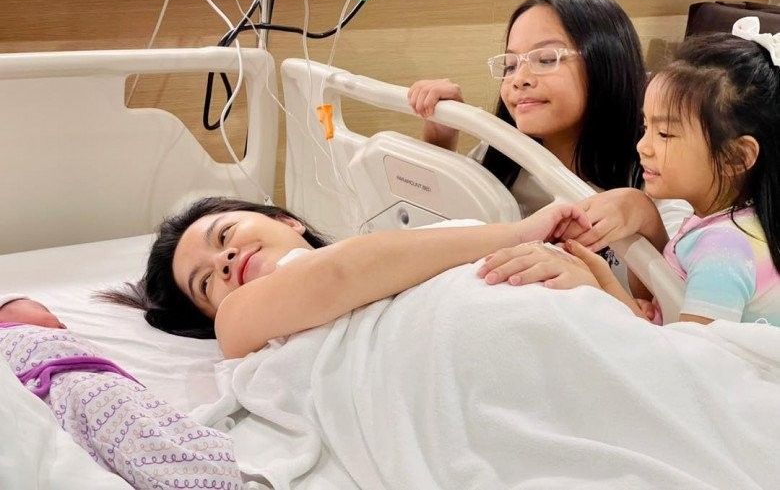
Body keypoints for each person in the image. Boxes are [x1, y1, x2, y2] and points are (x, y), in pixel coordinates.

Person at [479, 21, 780, 326]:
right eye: (645, 127)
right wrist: (606, 281)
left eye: (665, 134)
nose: (643, 146)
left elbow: (688, 352)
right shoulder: (714, 224)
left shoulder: (724, 250)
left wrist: (596, 288)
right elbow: (661, 300)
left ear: (736, 156)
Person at [105, 197, 599, 358]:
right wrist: (517, 233)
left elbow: (618, 314)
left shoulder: (430, 239)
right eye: (205, 283)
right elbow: (339, 274)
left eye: (225, 234)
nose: (226, 259)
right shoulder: (237, 325)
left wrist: (591, 285)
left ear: (287, 221)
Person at [407, 0, 646, 214]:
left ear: (606, 63)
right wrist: (440, 139)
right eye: (511, 65)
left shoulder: (647, 173)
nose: (519, 79)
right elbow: (434, 222)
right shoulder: (498, 156)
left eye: (546, 59)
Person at [0, 294, 243, 489]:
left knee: (146, 425)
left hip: (97, 383)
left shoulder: (56, 341)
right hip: (60, 391)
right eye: (43, 309)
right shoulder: (10, 336)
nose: (61, 324)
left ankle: (201, 470)